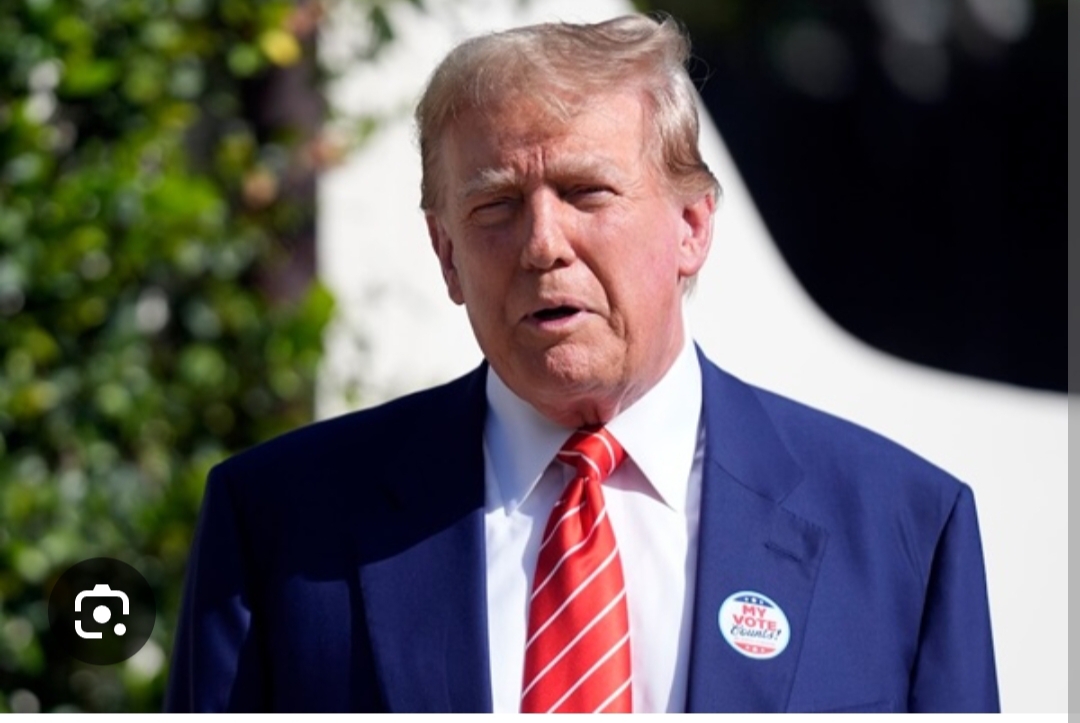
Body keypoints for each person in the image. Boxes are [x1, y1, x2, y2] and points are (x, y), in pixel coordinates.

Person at [165, 13, 999, 713]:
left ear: (692, 227)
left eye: (586, 193)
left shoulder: (900, 527)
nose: (542, 244)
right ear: (447, 255)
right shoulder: (281, 520)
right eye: (496, 205)